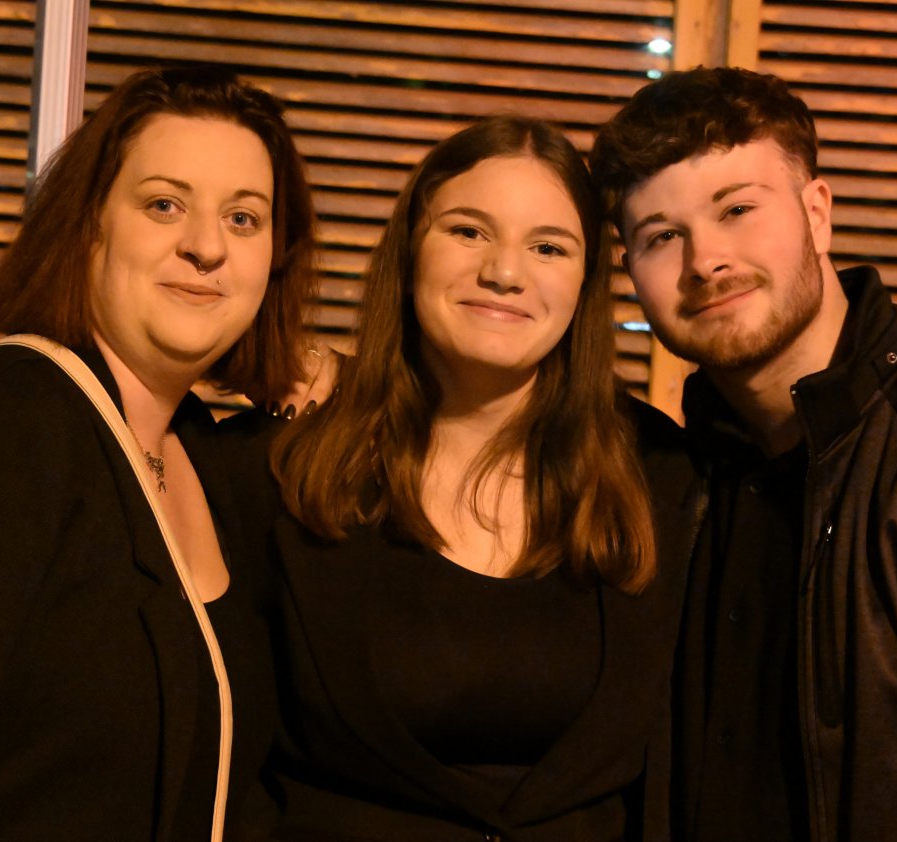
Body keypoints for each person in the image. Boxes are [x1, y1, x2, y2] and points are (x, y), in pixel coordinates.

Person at [0, 65, 316, 840]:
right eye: (164, 205)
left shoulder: (212, 463)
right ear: (89, 224)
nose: (207, 247)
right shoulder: (2, 423)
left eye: (243, 219)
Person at [591, 66, 897, 840]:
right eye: (661, 236)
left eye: (737, 209)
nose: (705, 261)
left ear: (817, 212)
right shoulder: (668, 475)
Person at [222, 115, 699, 840]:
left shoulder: (664, 477)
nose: (504, 272)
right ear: (411, 248)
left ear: (585, 282)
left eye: (548, 247)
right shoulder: (282, 468)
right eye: (469, 231)